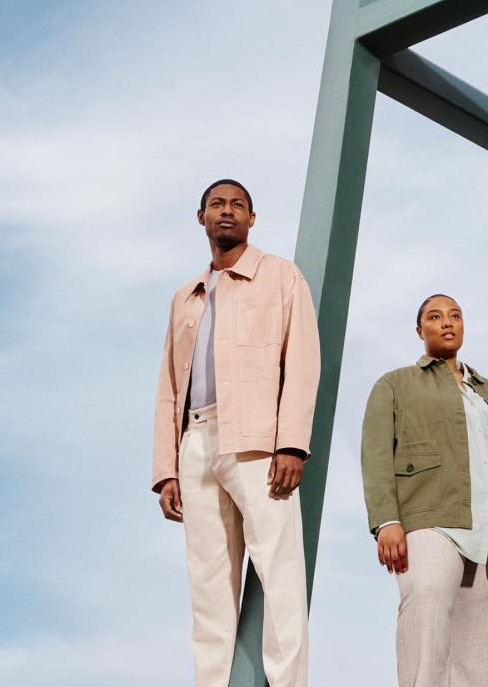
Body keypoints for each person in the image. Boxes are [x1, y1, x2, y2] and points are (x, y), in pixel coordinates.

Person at [151, 178, 320, 687]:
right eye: (217, 204)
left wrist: (291, 443)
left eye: (238, 205)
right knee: (208, 589)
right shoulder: (185, 297)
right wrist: (166, 470)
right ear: (201, 216)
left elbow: (303, 361)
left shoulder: (281, 276)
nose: (227, 211)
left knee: (281, 575)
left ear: (252, 218)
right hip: (196, 442)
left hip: (257, 443)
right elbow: (169, 386)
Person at [361, 294, 488, 686]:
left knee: (477, 653)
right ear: (419, 330)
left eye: (455, 315)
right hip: (429, 521)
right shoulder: (395, 384)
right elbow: (375, 455)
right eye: (435, 316)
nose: (447, 322)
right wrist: (386, 520)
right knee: (426, 618)